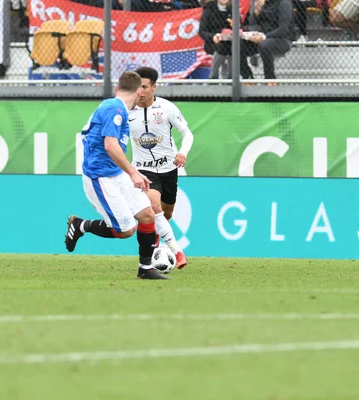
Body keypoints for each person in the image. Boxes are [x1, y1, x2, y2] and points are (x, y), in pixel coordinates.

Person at [64, 71, 169, 280]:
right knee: (125, 230)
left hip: (116, 173)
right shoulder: (114, 108)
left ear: (116, 88)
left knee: (147, 215)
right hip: (100, 177)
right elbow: (110, 145)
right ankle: (81, 225)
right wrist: (134, 174)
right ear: (139, 90)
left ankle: (145, 268)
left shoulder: (115, 106)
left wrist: (131, 173)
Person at [129, 66, 194, 270]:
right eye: (136, 87)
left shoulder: (168, 108)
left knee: (166, 213)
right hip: (143, 170)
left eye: (144, 87)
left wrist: (182, 152)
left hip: (168, 169)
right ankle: (177, 251)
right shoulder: (126, 110)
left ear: (154, 87)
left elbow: (188, 134)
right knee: (154, 207)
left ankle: (156, 236)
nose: (140, 91)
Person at [240, 0, 295, 80]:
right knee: (238, 45)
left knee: (264, 45)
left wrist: (264, 36)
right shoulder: (265, 3)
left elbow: (283, 29)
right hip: (264, 37)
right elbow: (253, 23)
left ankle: (270, 79)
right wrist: (255, 11)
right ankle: (248, 77)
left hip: (283, 39)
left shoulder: (284, 3)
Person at [199, 0, 233, 79]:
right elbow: (201, 31)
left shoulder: (233, 10)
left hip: (230, 41)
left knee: (233, 46)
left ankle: (231, 77)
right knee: (223, 46)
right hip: (212, 42)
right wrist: (213, 36)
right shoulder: (208, 9)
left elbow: (240, 27)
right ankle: (213, 76)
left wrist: (235, 26)